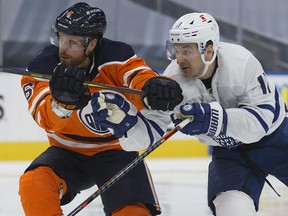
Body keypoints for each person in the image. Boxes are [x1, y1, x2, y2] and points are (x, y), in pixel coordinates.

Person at [19, 2, 183, 216]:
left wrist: (153, 87)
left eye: (72, 42)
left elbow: (138, 76)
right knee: (33, 182)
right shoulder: (42, 67)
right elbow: (43, 115)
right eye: (61, 38)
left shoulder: (115, 55)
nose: (63, 49)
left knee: (133, 212)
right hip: (66, 153)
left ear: (92, 44)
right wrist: (61, 103)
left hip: (115, 152)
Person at [164, 12, 288, 216]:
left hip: (276, 141)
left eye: (186, 51)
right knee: (232, 209)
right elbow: (150, 124)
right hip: (229, 154)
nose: (179, 60)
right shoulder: (172, 78)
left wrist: (213, 119)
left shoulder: (241, 61)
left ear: (209, 50)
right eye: (175, 51)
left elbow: (262, 120)